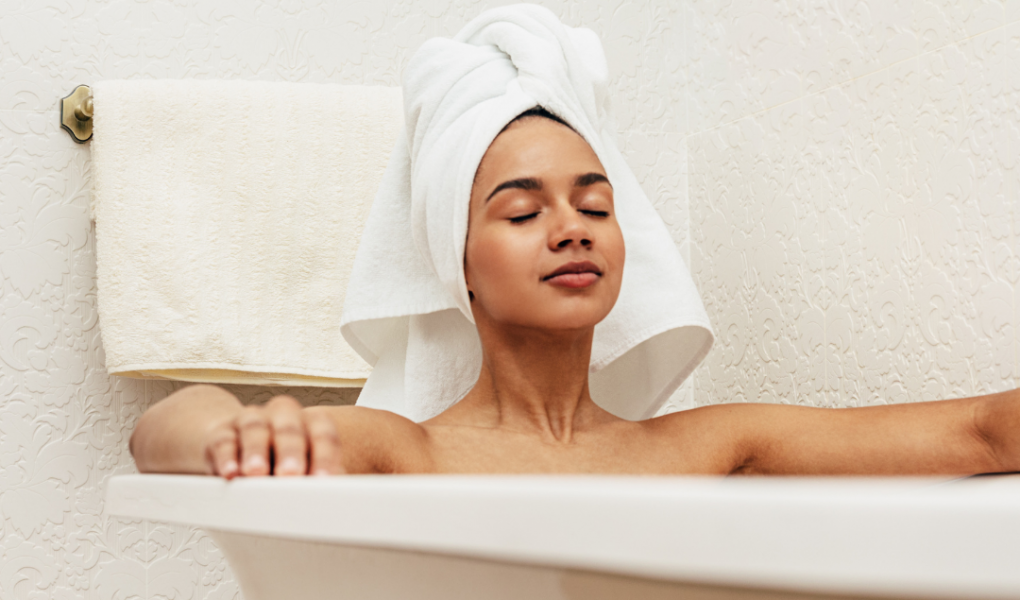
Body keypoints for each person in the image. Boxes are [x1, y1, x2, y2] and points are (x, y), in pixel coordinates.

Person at [129, 107, 1020, 479]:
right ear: (460, 265)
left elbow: (981, 432)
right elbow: (158, 431)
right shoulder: (411, 453)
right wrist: (230, 429)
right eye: (523, 213)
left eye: (594, 204)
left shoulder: (706, 447)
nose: (572, 227)